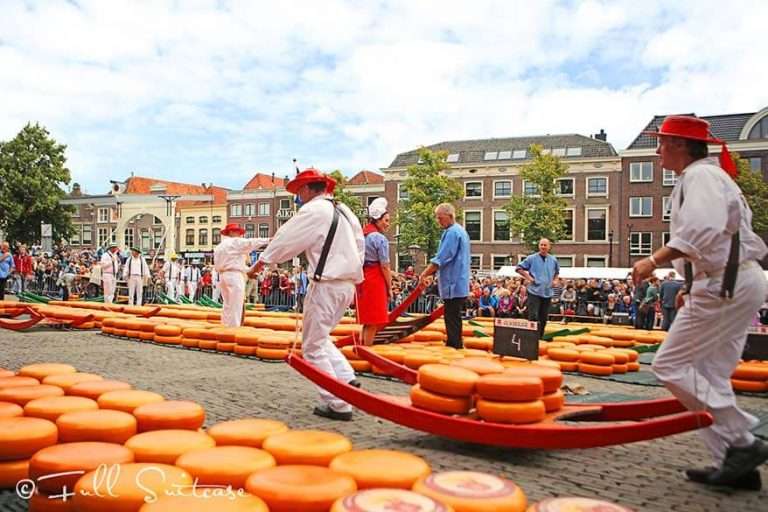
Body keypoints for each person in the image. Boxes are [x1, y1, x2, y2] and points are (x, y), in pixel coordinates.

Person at [632, 115, 768, 489]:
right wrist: (691, 283)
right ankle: (734, 463)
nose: (657, 151)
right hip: (728, 280)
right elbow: (714, 237)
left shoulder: (701, 176)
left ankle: (742, 440)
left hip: (726, 283)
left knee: (670, 365)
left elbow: (701, 230)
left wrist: (652, 260)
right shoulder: (704, 177)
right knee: (709, 375)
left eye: (661, 143)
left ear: (679, 144)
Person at [251, 168, 364, 421]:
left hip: (326, 285)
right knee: (320, 338)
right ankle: (346, 378)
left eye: (298, 191)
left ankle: (338, 403)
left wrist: (261, 263)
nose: (298, 197)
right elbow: (360, 245)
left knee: (312, 347)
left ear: (306, 189)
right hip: (347, 284)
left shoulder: (314, 210)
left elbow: (286, 239)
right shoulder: (345, 210)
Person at [419, 203, 470, 349]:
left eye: (440, 218)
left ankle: (454, 346)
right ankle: (454, 343)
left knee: (452, 317)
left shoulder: (452, 233)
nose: (438, 221)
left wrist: (425, 273)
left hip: (452, 284)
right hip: (459, 282)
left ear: (450, 216)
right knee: (454, 317)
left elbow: (442, 258)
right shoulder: (461, 231)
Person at [213, 224, 268, 328]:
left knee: (227, 305)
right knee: (236, 305)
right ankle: (233, 330)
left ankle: (225, 327)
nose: (239, 234)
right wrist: (268, 240)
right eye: (237, 232)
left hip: (223, 275)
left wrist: (248, 270)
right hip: (234, 276)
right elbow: (250, 243)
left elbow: (230, 264)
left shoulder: (219, 246)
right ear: (231, 232)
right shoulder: (234, 242)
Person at [357, 197, 392, 346]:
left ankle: (361, 347)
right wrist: (389, 286)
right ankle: (367, 350)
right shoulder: (379, 239)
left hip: (363, 277)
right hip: (375, 280)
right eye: (386, 220)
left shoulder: (362, 234)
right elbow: (385, 266)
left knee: (367, 320)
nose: (388, 224)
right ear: (377, 219)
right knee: (374, 321)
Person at [516, 239, 560, 339]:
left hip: (547, 291)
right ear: (539, 246)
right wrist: (529, 278)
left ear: (549, 247)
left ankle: (540, 336)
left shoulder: (553, 260)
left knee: (543, 317)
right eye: (541, 245)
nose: (543, 247)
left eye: (545, 245)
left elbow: (557, 273)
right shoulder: (531, 258)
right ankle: (531, 337)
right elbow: (518, 268)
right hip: (534, 291)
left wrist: (555, 280)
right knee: (533, 315)